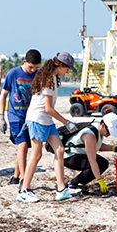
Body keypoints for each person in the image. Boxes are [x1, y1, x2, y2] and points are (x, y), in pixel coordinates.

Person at [18, 52, 81, 203]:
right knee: (37, 155)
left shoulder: (52, 78)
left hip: (46, 120)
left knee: (59, 150)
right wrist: (66, 122)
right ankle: (24, 191)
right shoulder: (47, 79)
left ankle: (61, 189)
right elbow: (48, 108)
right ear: (60, 65)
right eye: (67, 68)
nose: (68, 71)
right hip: (38, 119)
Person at [0, 49, 42, 187]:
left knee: (24, 148)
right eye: (31, 67)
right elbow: (3, 94)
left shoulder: (38, 75)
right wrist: (1, 116)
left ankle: (15, 176)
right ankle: (24, 178)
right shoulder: (13, 73)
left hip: (30, 117)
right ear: (24, 62)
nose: (33, 70)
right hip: (15, 116)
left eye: (36, 67)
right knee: (22, 145)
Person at [63, 112, 117, 193]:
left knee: (103, 163)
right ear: (103, 125)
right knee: (97, 164)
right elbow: (92, 160)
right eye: (109, 132)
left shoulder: (97, 128)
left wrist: (113, 148)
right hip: (69, 157)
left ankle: (78, 182)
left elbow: (96, 145)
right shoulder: (90, 135)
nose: (109, 135)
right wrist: (100, 180)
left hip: (78, 155)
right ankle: (73, 184)